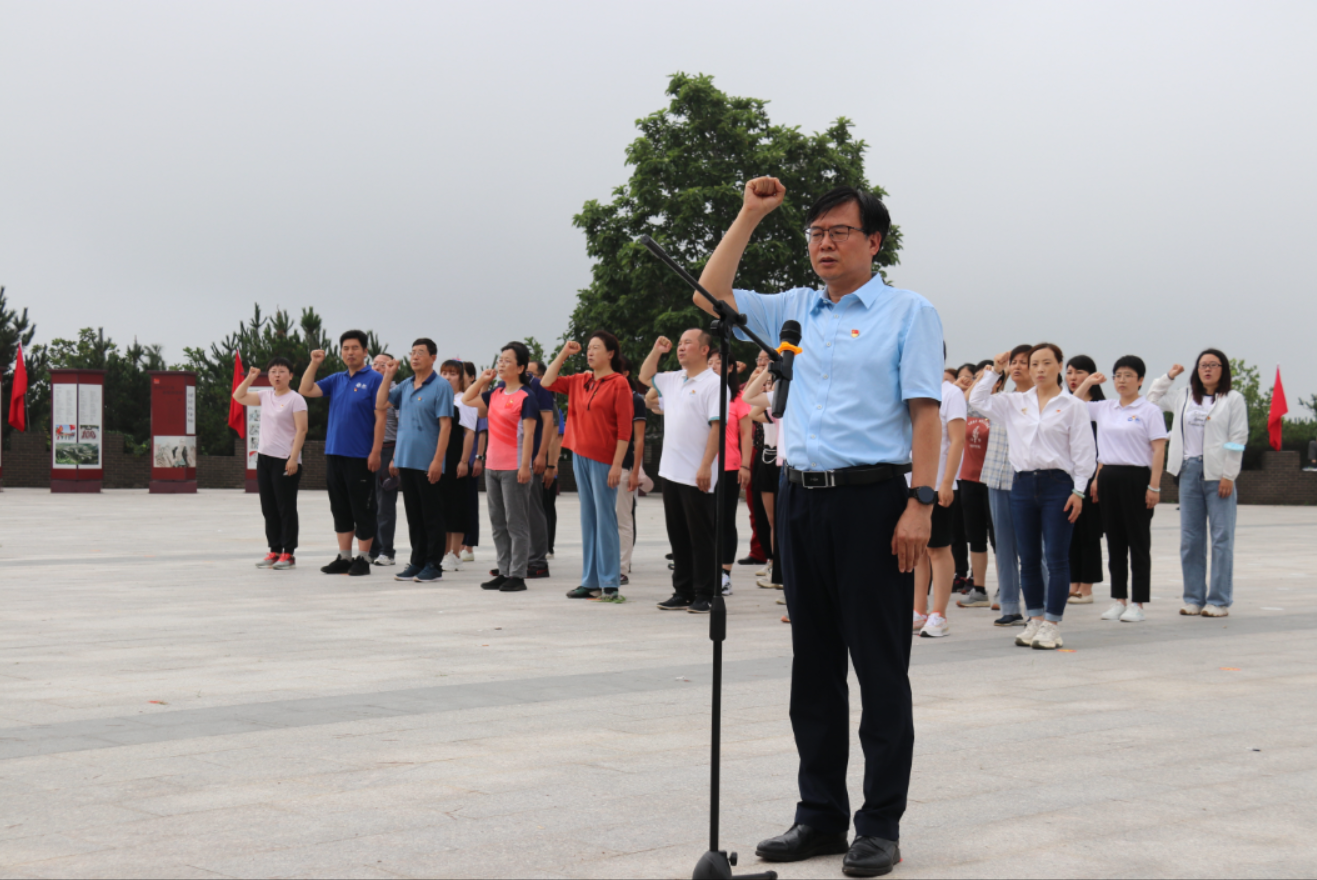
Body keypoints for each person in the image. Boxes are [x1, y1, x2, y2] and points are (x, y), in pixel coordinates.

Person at [698, 178, 943, 875]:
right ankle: (820, 816)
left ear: (874, 241)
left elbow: (925, 415)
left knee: (880, 669)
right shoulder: (795, 309)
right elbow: (709, 297)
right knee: (813, 668)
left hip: (873, 504)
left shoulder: (908, 312)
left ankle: (880, 825)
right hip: (801, 501)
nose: (824, 244)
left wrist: (921, 503)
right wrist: (749, 214)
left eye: (839, 231)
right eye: (815, 233)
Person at [971, 343, 1096, 650]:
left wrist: (1079, 491)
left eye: (1046, 363)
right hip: (1022, 484)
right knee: (1027, 558)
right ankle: (1035, 619)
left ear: (1059, 365)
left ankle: (1052, 624)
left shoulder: (1072, 406)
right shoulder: (1014, 402)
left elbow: (1084, 453)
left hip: (1059, 485)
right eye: (1034, 364)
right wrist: (995, 371)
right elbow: (976, 400)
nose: (1039, 369)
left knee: (1055, 557)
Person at [1146, 349, 1248, 617]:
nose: (1208, 369)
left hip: (1218, 474)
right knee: (1191, 539)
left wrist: (1229, 475)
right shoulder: (1184, 396)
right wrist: (1168, 377)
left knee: (1221, 538)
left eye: (1214, 365)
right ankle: (1193, 598)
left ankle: (1219, 601)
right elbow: (1151, 399)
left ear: (1223, 370)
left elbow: (1238, 437)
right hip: (1188, 471)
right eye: (1203, 365)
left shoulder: (1233, 399)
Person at [1074, 357, 1168, 622]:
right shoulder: (1105, 407)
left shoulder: (1150, 410)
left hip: (1137, 478)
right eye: (1117, 375)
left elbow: (1159, 450)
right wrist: (1088, 382)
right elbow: (1071, 404)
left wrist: (1154, 486)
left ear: (1140, 380)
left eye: (1128, 375)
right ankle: (1119, 599)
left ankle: (1138, 603)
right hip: (1108, 477)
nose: (1122, 380)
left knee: (1137, 541)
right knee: (1114, 542)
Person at [542, 332, 634, 602]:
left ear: (610, 354)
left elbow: (625, 430)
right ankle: (590, 581)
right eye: (589, 348)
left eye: (596, 348)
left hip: (605, 459)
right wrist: (564, 353)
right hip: (580, 455)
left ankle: (610, 582)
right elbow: (546, 382)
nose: (590, 352)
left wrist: (617, 465)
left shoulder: (619, 383)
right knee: (588, 519)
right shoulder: (579, 380)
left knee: (605, 519)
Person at [639, 329, 725, 615]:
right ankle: (683, 591)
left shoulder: (714, 384)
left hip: (697, 472)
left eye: (688, 342)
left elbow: (717, 428)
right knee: (678, 535)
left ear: (704, 349)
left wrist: (706, 465)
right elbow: (645, 376)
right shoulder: (674, 379)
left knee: (701, 536)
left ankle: (706, 593)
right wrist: (657, 350)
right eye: (679, 343)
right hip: (671, 471)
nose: (681, 347)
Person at [300, 330, 385, 576]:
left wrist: (376, 451)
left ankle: (364, 558)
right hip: (335, 452)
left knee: (363, 508)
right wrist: (314, 363)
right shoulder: (337, 379)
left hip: (360, 455)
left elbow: (381, 418)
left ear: (365, 351)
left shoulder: (375, 379)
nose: (350, 352)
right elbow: (306, 389)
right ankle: (344, 556)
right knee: (340, 507)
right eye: (345, 348)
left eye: (355, 348)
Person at [463, 343, 540, 593]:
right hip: (492, 466)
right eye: (500, 359)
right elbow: (467, 399)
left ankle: (518, 574)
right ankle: (504, 570)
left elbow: (529, 435)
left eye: (508, 360)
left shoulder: (526, 397)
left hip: (514, 467)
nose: (501, 364)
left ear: (520, 367)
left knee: (516, 523)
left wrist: (525, 466)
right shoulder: (495, 393)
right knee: (498, 524)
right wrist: (482, 380)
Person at [375, 340, 453, 584]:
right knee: (414, 515)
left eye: (421, 353)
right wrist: (388, 375)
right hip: (405, 460)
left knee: (432, 515)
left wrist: (437, 460)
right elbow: (380, 403)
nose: (415, 357)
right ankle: (417, 561)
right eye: (412, 353)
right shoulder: (406, 384)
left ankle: (433, 564)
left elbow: (446, 426)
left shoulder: (441, 386)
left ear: (433, 357)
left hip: (428, 462)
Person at [234, 358, 307, 570]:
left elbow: (302, 430)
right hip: (264, 458)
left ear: (290, 376)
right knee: (269, 507)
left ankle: (288, 553)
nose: (277, 375)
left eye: (282, 371)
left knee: (286, 507)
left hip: (285, 459)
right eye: (273, 371)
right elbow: (238, 396)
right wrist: (250, 378)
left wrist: (293, 458)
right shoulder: (265, 396)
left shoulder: (296, 399)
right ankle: (274, 550)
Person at [911, 361, 965, 638]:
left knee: (938, 548)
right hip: (910, 482)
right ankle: (918, 610)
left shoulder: (950, 393)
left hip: (937, 483)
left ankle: (939, 614)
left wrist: (946, 482)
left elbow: (957, 440)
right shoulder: (909, 390)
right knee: (917, 549)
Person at [708, 350, 754, 596]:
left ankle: (724, 574)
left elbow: (746, 434)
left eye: (719, 362)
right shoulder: (704, 394)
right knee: (705, 520)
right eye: (710, 362)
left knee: (725, 520)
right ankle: (705, 571)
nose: (713, 366)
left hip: (729, 467)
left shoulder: (737, 398)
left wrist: (745, 465)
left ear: (730, 368)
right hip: (703, 467)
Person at [1064, 354, 1106, 604]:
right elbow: (1068, 408)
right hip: (1068, 477)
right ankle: (1073, 583)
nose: (1073, 377)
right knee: (1070, 530)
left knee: (1089, 533)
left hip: (1092, 477)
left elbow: (1105, 446)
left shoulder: (1101, 407)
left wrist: (1098, 477)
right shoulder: (1066, 404)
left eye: (1079, 372)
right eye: (1069, 372)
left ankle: (1087, 587)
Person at [955, 361, 996, 609]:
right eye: (976, 377)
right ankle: (979, 589)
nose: (979, 381)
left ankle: (1006, 588)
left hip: (993, 481)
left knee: (999, 538)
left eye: (987, 378)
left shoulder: (999, 408)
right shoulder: (967, 407)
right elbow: (961, 402)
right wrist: (978, 381)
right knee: (976, 538)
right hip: (969, 479)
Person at [743, 356, 781, 590]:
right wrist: (764, 375)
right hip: (767, 459)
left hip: (785, 462)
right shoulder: (771, 407)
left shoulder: (784, 404)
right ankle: (774, 564)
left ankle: (782, 568)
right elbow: (750, 407)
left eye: (771, 384)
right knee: (772, 520)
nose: (768, 388)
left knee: (784, 520)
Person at [438, 360, 477, 572]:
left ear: (461, 378)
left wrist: (464, 461)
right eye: (444, 372)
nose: (447, 377)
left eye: (452, 373)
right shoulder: (437, 397)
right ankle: (442, 552)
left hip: (455, 458)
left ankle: (454, 554)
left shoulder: (465, 400)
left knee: (456, 507)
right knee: (441, 507)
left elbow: (469, 432)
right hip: (438, 459)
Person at [615, 366, 648, 586]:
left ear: (625, 373)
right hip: (600, 464)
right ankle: (604, 564)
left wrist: (635, 471)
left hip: (623, 467)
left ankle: (621, 568)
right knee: (602, 519)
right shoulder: (604, 394)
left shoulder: (635, 399)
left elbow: (639, 439)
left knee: (623, 519)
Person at [370, 353, 400, 567]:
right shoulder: (370, 389)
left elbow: (403, 427)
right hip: (368, 452)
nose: (378, 367)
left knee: (385, 504)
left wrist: (395, 458)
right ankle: (371, 549)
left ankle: (387, 551)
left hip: (389, 450)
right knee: (369, 503)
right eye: (375, 364)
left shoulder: (396, 392)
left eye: (383, 364)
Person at [460, 361, 485, 563]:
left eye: (460, 373)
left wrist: (479, 457)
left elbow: (482, 431)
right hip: (453, 459)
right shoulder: (452, 398)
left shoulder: (477, 400)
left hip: (470, 460)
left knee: (468, 503)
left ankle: (468, 546)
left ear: (471, 377)